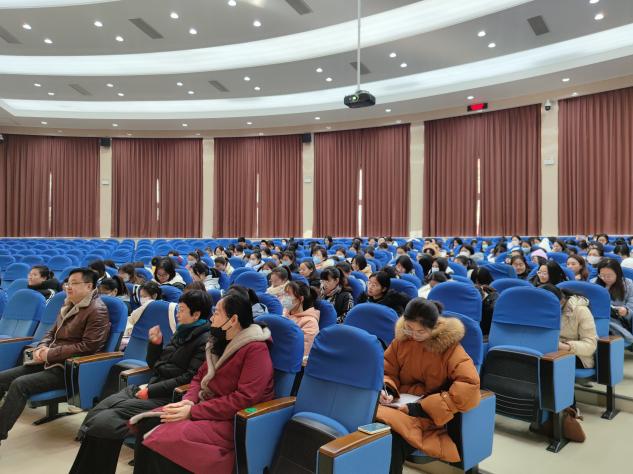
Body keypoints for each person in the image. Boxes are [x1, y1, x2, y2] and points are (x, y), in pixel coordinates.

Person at [70, 290, 212, 474]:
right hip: (150, 387)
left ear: (196, 314)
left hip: (168, 398)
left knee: (105, 423)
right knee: (98, 413)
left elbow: (189, 379)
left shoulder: (204, 341)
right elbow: (155, 365)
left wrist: (151, 390)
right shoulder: (182, 332)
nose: (177, 314)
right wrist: (155, 344)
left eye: (182, 310)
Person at [130, 293, 274, 474]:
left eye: (217, 313)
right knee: (149, 422)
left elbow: (244, 399)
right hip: (206, 407)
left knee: (166, 439)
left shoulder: (256, 349)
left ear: (233, 320)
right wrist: (188, 401)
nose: (212, 318)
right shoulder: (219, 342)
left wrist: (193, 411)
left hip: (232, 419)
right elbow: (199, 377)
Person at [0, 268, 110, 443]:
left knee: (20, 385)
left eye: (74, 283)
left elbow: (89, 347)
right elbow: (50, 333)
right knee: (2, 378)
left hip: (66, 368)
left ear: (89, 286)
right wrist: (41, 348)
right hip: (48, 361)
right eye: (68, 283)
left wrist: (50, 353)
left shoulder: (97, 310)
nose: (68, 287)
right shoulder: (69, 304)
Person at [376, 298, 480, 474]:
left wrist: (423, 408)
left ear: (434, 328)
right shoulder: (401, 341)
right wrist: (388, 389)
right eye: (409, 328)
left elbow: (469, 385)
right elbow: (387, 371)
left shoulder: (450, 348)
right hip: (395, 405)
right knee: (370, 430)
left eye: (420, 331)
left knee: (390, 439)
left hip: (428, 414)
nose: (413, 335)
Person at [539, 285, 597, 369]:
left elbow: (590, 346)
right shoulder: (542, 310)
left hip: (577, 355)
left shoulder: (581, 311)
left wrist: (563, 346)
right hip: (549, 350)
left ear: (561, 301)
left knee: (543, 364)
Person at [593, 259, 633, 346]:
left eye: (609, 276)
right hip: (596, 317)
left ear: (618, 274)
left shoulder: (629, 284)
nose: (605, 278)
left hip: (619, 319)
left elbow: (631, 304)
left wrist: (626, 311)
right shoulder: (593, 283)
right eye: (602, 275)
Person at [281, 281, 320, 358]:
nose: (284, 298)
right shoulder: (285, 312)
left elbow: (304, 352)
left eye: (288, 294)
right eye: (284, 294)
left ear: (301, 299)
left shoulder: (310, 322)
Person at [470, 267, 498, 336]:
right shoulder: (468, 293)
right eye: (475, 282)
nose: (478, 286)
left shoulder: (493, 298)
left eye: (481, 283)